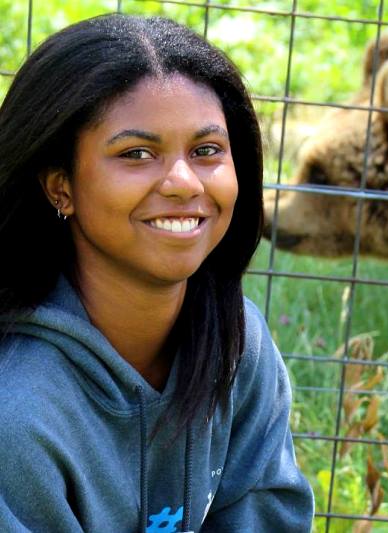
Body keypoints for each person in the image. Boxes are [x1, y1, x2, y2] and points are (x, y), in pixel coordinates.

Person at [0, 14, 313, 533]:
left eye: (207, 150)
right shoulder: (19, 411)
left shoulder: (239, 343)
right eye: (137, 153)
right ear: (61, 187)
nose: (183, 182)